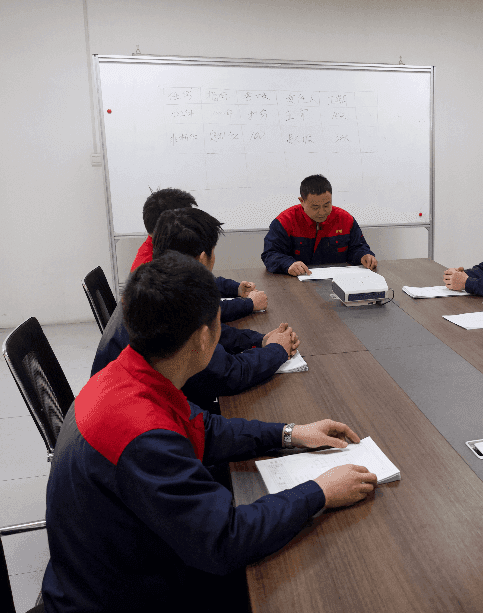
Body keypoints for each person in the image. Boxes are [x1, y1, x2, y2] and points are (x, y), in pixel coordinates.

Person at [43, 252, 378, 612]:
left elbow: (204, 427)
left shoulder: (128, 373)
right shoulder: (142, 434)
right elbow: (225, 540)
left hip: (126, 562)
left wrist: (291, 433)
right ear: (205, 338)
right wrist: (320, 491)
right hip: (124, 597)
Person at [93, 208, 297, 411]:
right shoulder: (170, 301)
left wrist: (260, 340)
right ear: (201, 259)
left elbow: (208, 331)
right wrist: (277, 350)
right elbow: (229, 375)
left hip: (135, 403)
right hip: (145, 413)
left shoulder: (157, 282)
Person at [131, 187, 267, 321]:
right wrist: (249, 304)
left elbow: (198, 282)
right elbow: (198, 311)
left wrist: (235, 289)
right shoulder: (151, 268)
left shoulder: (165, 251)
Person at [262, 174, 377, 276]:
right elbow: (270, 254)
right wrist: (288, 264)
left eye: (327, 205)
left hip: (338, 281)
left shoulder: (345, 219)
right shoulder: (285, 221)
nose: (322, 212)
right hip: (297, 283)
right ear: (302, 201)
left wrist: (364, 255)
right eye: (315, 207)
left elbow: (357, 247)